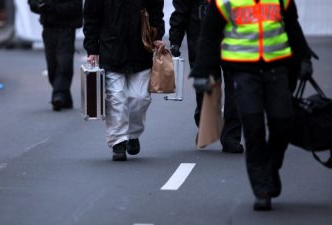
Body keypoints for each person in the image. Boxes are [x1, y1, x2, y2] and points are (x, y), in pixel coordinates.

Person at [190, 0, 313, 210]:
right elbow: (209, 36)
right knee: (253, 128)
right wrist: (202, 71)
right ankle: (262, 188)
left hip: (277, 68)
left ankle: (271, 168)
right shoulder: (225, 2)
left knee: (283, 123)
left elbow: (292, 26)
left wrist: (304, 58)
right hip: (243, 72)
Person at [83, 0, 165, 161]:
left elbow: (156, 9)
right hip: (111, 49)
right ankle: (118, 142)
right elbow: (91, 17)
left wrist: (157, 35)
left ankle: (133, 134)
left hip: (140, 50)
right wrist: (92, 49)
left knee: (140, 98)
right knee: (116, 98)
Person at [169, 0, 243, 153]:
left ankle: (231, 137)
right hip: (202, 39)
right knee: (206, 87)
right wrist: (175, 40)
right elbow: (181, 10)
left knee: (235, 89)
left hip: (234, 39)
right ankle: (206, 124)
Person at [28, 0, 82, 111]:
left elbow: (75, 6)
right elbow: (32, 4)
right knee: (52, 67)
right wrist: (40, 6)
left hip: (66, 28)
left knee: (64, 63)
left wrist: (53, 8)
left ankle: (58, 95)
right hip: (49, 28)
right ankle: (65, 99)